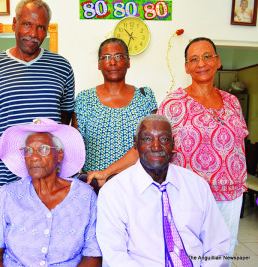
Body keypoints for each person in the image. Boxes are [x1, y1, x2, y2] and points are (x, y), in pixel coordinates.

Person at [90, 37, 248, 262]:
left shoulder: (232, 102)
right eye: (194, 59)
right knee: (180, 249)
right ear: (186, 67)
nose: (201, 63)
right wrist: (106, 173)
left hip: (230, 193)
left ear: (217, 61)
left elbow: (238, 145)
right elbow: (149, 145)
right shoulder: (174, 103)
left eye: (207, 57)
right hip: (188, 194)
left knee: (222, 249)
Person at [0, 0, 75, 223]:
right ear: (14, 24)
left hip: (49, 183)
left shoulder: (62, 67)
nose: (33, 33)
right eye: (27, 24)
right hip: (3, 183)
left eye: (41, 27)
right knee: (4, 253)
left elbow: (63, 127)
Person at [96, 114, 231, 267]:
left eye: (164, 139)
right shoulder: (114, 192)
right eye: (147, 139)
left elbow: (217, 243)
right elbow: (115, 255)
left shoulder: (197, 186)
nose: (156, 146)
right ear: (135, 143)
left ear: (173, 144)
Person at [0, 118, 102, 267]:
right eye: (28, 150)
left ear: (60, 155)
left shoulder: (85, 196)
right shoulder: (8, 194)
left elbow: (93, 254)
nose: (34, 157)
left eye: (44, 149)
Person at [72, 38, 157, 185]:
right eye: (106, 57)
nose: (112, 62)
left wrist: (107, 173)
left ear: (128, 62)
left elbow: (150, 146)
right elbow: (75, 148)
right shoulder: (84, 100)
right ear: (99, 64)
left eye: (118, 56)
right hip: (95, 186)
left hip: (137, 186)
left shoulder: (145, 98)